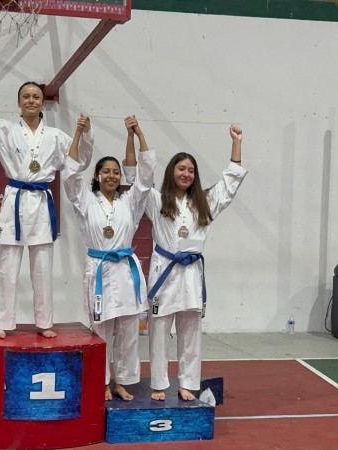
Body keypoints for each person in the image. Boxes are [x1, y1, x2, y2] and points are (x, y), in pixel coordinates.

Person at [135, 125, 247, 401]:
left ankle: (188, 382)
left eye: (191, 170)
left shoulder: (204, 202)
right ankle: (158, 383)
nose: (186, 174)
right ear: (171, 171)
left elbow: (229, 184)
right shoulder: (156, 200)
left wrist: (236, 143)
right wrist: (137, 136)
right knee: (159, 331)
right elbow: (140, 182)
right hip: (165, 271)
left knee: (191, 332)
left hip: (191, 274)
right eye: (181, 168)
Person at [0, 81, 94, 339]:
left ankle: (44, 322)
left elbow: (78, 161)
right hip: (15, 199)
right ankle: (2, 321)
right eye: (26, 96)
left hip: (41, 202)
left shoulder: (56, 136)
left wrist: (85, 134)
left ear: (43, 103)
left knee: (43, 267)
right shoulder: (6, 130)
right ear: (18, 101)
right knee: (6, 266)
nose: (31, 100)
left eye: (35, 97)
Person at [63, 115, 155, 401]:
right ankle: (102, 382)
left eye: (116, 172)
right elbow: (70, 174)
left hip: (125, 270)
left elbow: (145, 176)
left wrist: (137, 134)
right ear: (97, 176)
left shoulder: (131, 201)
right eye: (106, 171)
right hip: (99, 270)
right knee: (100, 330)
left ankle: (122, 382)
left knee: (128, 330)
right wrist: (78, 133)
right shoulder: (84, 199)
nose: (112, 176)